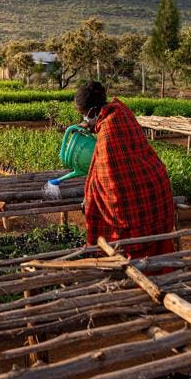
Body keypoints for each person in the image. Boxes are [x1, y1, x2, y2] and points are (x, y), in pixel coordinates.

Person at [75, 80, 177, 262]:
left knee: (139, 254)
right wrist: (93, 127)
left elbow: (110, 183)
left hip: (139, 200)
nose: (84, 119)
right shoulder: (119, 112)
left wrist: (91, 197)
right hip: (155, 185)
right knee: (160, 254)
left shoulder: (108, 131)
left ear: (91, 111)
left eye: (83, 114)